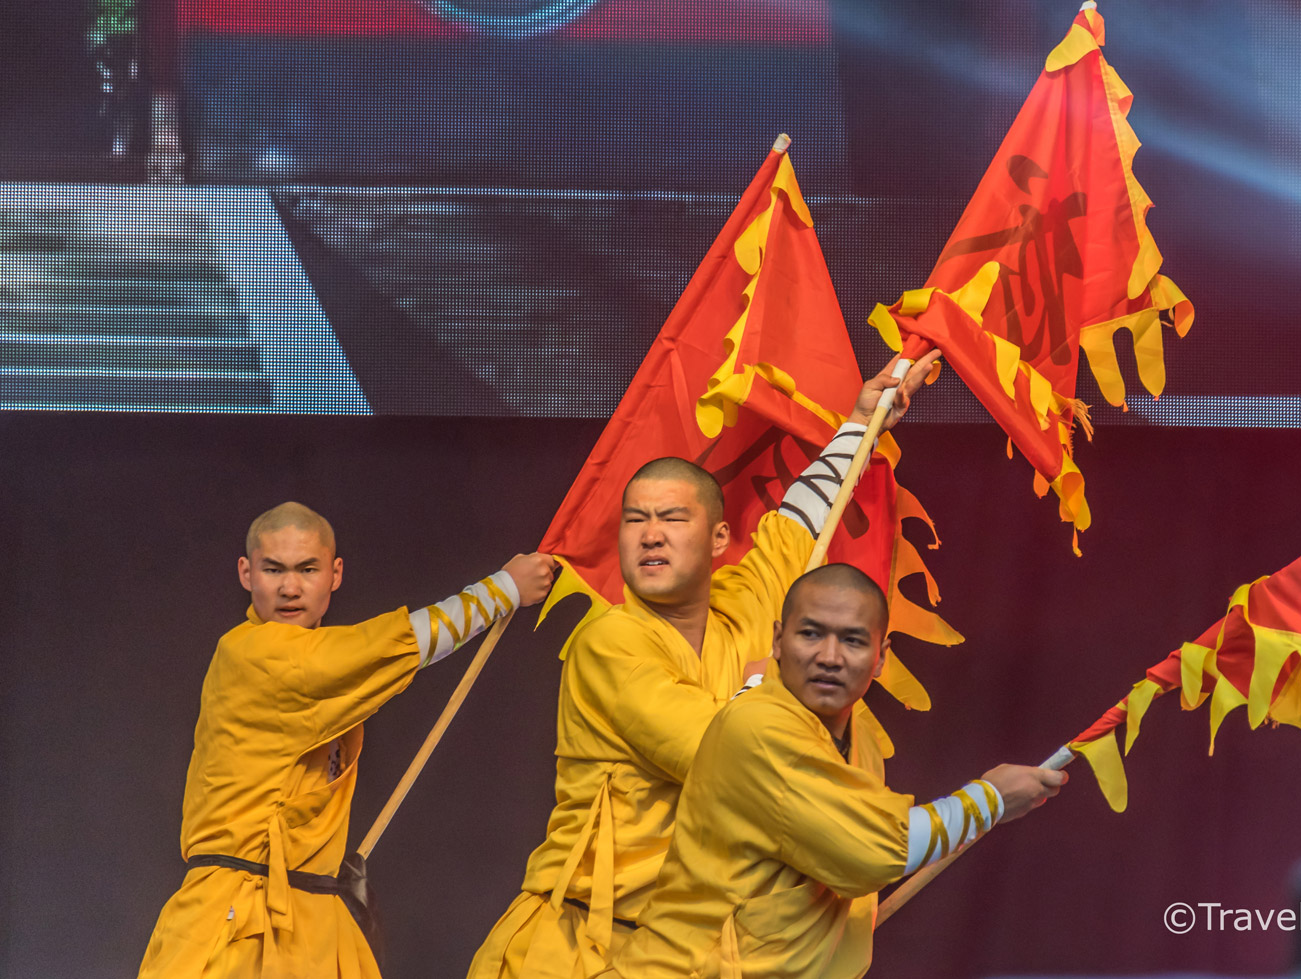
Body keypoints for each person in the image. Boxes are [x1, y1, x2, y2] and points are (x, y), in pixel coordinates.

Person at [467, 352, 942, 979]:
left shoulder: (745, 606)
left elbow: (798, 523)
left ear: (719, 539)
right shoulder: (609, 640)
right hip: (581, 946)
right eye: (635, 520)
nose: (650, 534)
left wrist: (863, 421)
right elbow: (722, 755)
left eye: (672, 518)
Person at [137, 502, 558, 979]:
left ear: (335, 574)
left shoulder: (313, 660)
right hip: (239, 922)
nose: (290, 587)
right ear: (246, 573)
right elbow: (397, 645)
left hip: (312, 915)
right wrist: (503, 590)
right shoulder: (253, 653)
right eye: (273, 569)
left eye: (307, 569)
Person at [605, 564, 1065, 978]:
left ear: (880, 657)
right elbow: (876, 850)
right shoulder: (758, 726)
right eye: (810, 634)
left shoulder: (858, 735)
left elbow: (845, 858)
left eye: (852, 640)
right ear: (777, 640)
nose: (829, 656)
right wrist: (990, 799)